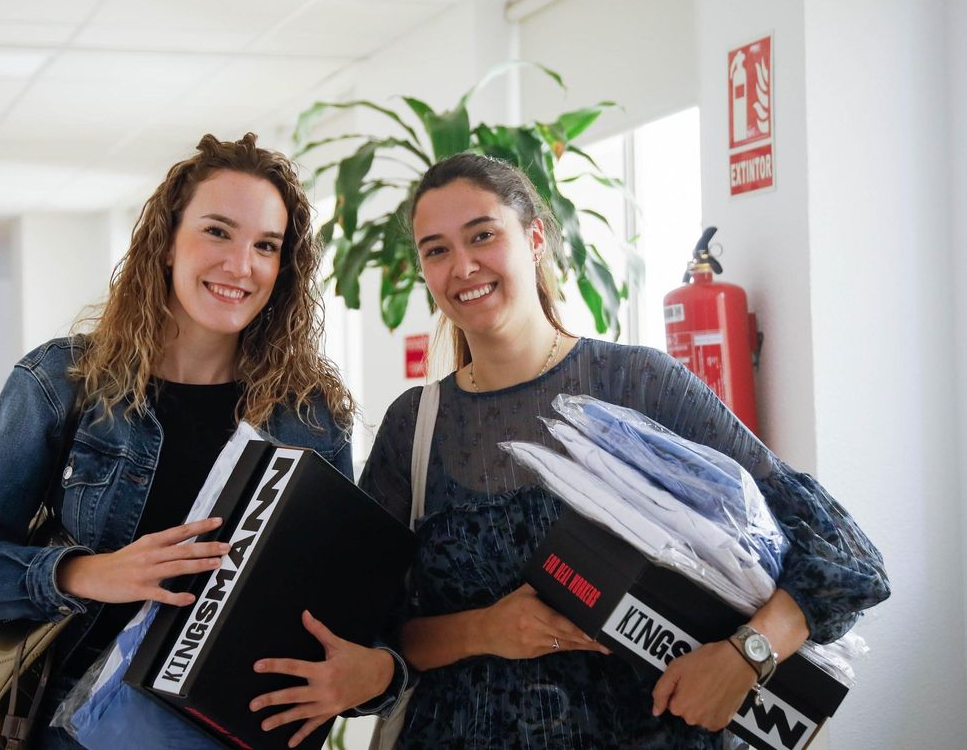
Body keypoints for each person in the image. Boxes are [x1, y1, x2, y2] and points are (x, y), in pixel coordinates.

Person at [248, 154, 891, 748]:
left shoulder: (637, 385)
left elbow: (840, 550)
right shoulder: (415, 427)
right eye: (437, 250)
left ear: (533, 240)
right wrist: (485, 630)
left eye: (482, 235)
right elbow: (380, 634)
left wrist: (746, 654)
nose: (463, 266)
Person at [0, 134, 357, 750]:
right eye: (217, 232)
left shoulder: (308, 413)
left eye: (266, 246)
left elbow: (344, 589)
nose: (241, 265)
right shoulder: (58, 383)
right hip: (78, 731)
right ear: (165, 243)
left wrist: (361, 674)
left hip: (237, 726)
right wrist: (86, 573)